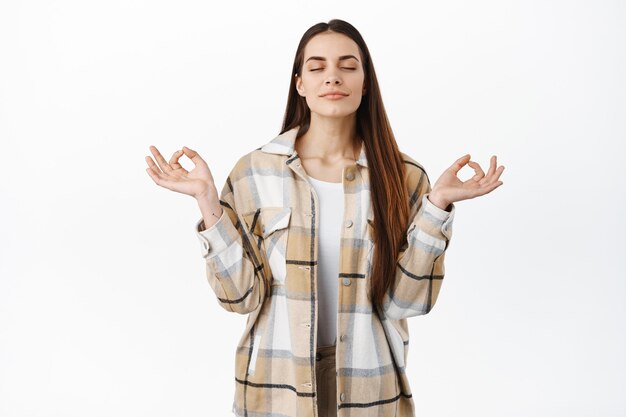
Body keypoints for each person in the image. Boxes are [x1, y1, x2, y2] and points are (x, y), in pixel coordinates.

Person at [145, 18, 504, 417]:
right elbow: (240, 298)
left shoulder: (403, 177)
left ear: (365, 82)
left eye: (348, 66)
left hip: (371, 388)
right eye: (317, 67)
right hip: (275, 388)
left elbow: (407, 301)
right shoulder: (256, 172)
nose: (332, 77)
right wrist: (206, 200)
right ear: (299, 83)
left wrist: (437, 206)